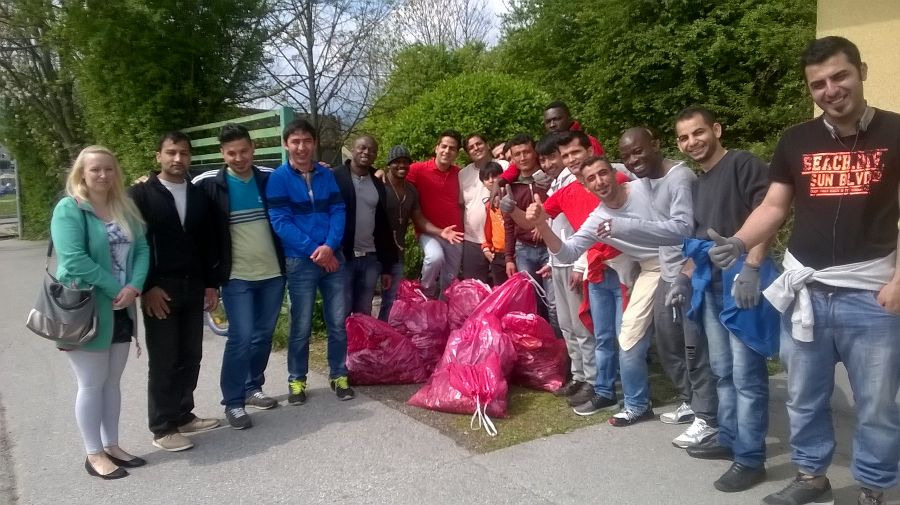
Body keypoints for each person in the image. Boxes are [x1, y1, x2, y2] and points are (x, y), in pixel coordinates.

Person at [709, 37, 900, 505]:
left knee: (875, 406)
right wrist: (739, 241)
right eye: (819, 84)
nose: (831, 90)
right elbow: (774, 205)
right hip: (806, 292)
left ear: (862, 71)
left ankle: (873, 485)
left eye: (840, 77)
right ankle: (812, 477)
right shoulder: (796, 140)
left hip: (872, 293)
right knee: (804, 397)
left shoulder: (896, 132)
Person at [671, 106, 774, 493]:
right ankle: (729, 437)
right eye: (683, 138)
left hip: (743, 283)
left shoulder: (743, 164)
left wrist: (752, 266)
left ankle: (750, 459)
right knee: (723, 371)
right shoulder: (700, 181)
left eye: (698, 133)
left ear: (716, 129)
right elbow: (699, 239)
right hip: (710, 286)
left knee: (747, 375)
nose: (692, 142)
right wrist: (683, 278)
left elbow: (770, 212)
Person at [526, 156, 661, 427]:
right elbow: (568, 250)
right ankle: (621, 398)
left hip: (663, 265)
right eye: (591, 178)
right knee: (616, 338)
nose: (599, 181)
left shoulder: (641, 190)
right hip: (626, 270)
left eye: (603, 173)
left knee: (638, 340)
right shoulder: (597, 216)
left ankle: (677, 402)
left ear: (615, 173)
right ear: (585, 186)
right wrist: (541, 224)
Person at [609, 127, 720, 445]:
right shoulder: (643, 181)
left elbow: (683, 228)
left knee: (693, 348)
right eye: (627, 156)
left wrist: (628, 228)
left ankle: (707, 417)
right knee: (669, 344)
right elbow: (607, 173)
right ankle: (691, 400)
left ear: (656, 145)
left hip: (691, 271)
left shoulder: (680, 178)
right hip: (667, 272)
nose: (633, 159)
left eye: (638, 151)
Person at [510, 130, 630, 414]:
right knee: (568, 324)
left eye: (572, 153)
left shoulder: (604, 180)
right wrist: (512, 208)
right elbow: (535, 223)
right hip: (562, 261)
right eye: (563, 155)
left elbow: (593, 231)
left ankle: (598, 380)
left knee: (592, 328)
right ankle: (581, 376)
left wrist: (581, 265)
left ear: (589, 150)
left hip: (599, 266)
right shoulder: (561, 188)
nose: (565, 160)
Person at [51, 146, 149, 479]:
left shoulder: (125, 206)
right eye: (95, 170)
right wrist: (114, 288)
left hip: (122, 306)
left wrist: (134, 286)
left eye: (108, 169)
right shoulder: (70, 209)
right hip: (88, 309)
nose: (103, 175)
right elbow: (74, 259)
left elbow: (143, 249)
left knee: (112, 383)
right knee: (91, 383)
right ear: (81, 173)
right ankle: (93, 454)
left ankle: (112, 445)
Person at [130, 132, 220, 452]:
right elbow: (132, 245)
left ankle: (183, 414)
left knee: (190, 355)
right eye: (171, 152)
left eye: (183, 153)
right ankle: (162, 426)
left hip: (193, 285)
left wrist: (211, 284)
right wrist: (146, 287)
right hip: (160, 288)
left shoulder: (197, 195)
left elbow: (207, 243)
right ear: (159, 156)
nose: (177, 158)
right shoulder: (141, 194)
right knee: (165, 358)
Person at [193, 124, 286, 430]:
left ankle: (251, 387)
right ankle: (232, 402)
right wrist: (146, 182)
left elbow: (302, 180)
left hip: (273, 273)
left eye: (243, 151)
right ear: (222, 153)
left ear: (252, 148)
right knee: (241, 337)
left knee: (263, 334)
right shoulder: (209, 184)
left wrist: (326, 168)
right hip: (236, 277)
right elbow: (173, 192)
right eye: (231, 153)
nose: (238, 158)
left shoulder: (270, 179)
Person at [266, 118, 354, 403]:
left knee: (338, 322)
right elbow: (281, 222)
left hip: (332, 258)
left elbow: (338, 211)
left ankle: (339, 374)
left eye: (306, 141)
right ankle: (297, 381)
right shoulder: (278, 179)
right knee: (300, 324)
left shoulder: (326, 175)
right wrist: (315, 251)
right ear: (286, 144)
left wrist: (329, 246)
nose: (301, 147)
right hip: (301, 261)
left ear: (314, 143)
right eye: (295, 141)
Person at [378, 145, 464, 320]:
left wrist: (441, 232)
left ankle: (387, 333)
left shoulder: (411, 190)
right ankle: (361, 333)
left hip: (397, 250)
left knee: (390, 297)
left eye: (405, 163)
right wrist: (376, 172)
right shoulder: (379, 185)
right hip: (374, 250)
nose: (401, 166)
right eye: (396, 162)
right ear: (388, 164)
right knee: (365, 296)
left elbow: (419, 218)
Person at [500, 134, 558, 334]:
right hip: (523, 250)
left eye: (526, 152)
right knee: (533, 302)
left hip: (550, 249)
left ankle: (561, 346)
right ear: (513, 159)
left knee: (554, 303)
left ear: (534, 152)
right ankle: (542, 346)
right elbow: (508, 224)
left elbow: (561, 206)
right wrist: (509, 257)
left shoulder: (548, 179)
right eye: (517, 154)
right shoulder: (510, 186)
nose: (523, 157)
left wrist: (544, 224)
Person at [334, 135, 397, 316]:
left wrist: (386, 266)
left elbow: (383, 226)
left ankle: (361, 345)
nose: (366, 152)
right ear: (353, 149)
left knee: (364, 313)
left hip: (370, 258)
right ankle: (343, 345)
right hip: (343, 257)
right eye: (362, 148)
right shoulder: (335, 177)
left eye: (371, 150)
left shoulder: (378, 184)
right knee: (341, 312)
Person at [407, 130, 465, 299]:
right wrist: (380, 173)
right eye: (444, 146)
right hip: (428, 231)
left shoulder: (459, 174)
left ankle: (443, 309)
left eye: (452, 148)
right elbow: (395, 174)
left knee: (450, 279)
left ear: (456, 153)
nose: (447, 151)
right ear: (436, 148)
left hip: (455, 234)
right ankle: (426, 295)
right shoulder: (418, 169)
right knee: (434, 258)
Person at [459, 134, 508, 283]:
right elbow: (462, 205)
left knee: (504, 287)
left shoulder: (504, 166)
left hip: (501, 242)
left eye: (479, 144)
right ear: (468, 153)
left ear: (487, 145)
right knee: (474, 287)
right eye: (471, 147)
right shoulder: (462, 174)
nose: (476, 148)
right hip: (472, 239)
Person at [479, 161, 508, 286]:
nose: (491, 180)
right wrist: (486, 246)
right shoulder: (488, 205)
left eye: (494, 176)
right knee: (500, 291)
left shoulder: (511, 197)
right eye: (486, 178)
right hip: (497, 254)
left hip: (515, 252)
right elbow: (488, 229)